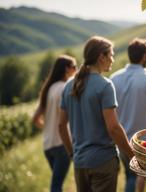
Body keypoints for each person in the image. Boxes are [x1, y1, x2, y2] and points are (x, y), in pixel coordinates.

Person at [58, 36, 134, 192]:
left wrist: (72, 154)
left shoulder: (68, 85)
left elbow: (60, 125)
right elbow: (113, 128)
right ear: (101, 57)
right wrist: (132, 155)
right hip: (103, 162)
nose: (112, 59)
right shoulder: (105, 86)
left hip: (80, 163)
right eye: (111, 55)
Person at [110, 38, 146, 192]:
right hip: (144, 141)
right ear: (144, 56)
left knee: (130, 176)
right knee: (137, 177)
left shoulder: (114, 78)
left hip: (120, 138)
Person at [32, 54, 77, 192]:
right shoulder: (65, 88)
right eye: (74, 67)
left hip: (47, 145)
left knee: (57, 182)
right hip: (61, 144)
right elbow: (65, 120)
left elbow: (35, 118)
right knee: (56, 186)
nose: (76, 70)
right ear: (66, 69)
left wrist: (47, 129)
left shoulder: (48, 89)